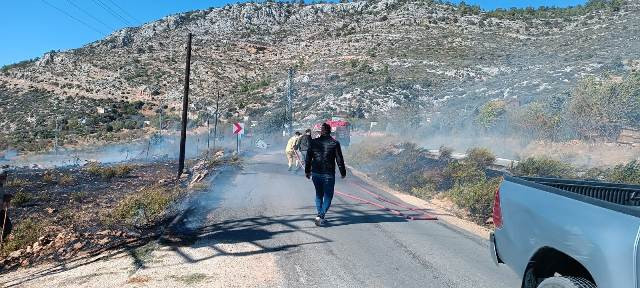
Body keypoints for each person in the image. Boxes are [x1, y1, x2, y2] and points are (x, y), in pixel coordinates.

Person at [305, 123, 346, 226]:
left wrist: (307, 171)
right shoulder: (335, 143)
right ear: (330, 131)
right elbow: (339, 159)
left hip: (316, 173)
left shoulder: (313, 142)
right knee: (328, 196)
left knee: (319, 194)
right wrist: (343, 172)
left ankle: (320, 215)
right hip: (328, 173)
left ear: (321, 131)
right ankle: (321, 215)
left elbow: (308, 158)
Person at [0, 168, 12, 240]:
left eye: (5, 176)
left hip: (0, 211)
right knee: (7, 226)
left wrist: (6, 196)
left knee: (8, 226)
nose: (4, 178)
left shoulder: (1, 185)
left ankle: (2, 241)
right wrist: (4, 199)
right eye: (2, 176)